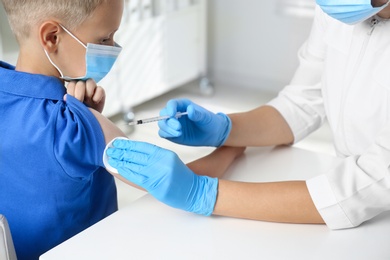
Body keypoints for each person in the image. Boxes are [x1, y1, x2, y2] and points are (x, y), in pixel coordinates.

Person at [106, 0, 390, 230]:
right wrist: (226, 129)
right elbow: (301, 103)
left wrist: (201, 193)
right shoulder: (339, 10)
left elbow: (359, 189)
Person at [0, 0, 244, 259]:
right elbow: (175, 181)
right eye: (104, 38)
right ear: (52, 37)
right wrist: (233, 147)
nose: (113, 48)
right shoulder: (73, 126)